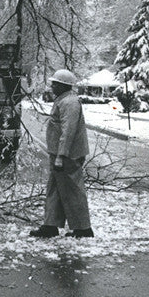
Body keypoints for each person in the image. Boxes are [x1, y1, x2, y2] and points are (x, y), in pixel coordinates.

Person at [29, 69, 94, 238]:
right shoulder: (64, 100)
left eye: (55, 84)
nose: (51, 87)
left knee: (73, 190)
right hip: (59, 154)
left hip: (67, 156)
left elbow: (68, 132)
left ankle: (83, 228)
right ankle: (50, 225)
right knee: (55, 189)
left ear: (63, 85)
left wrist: (61, 156)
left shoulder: (70, 103)